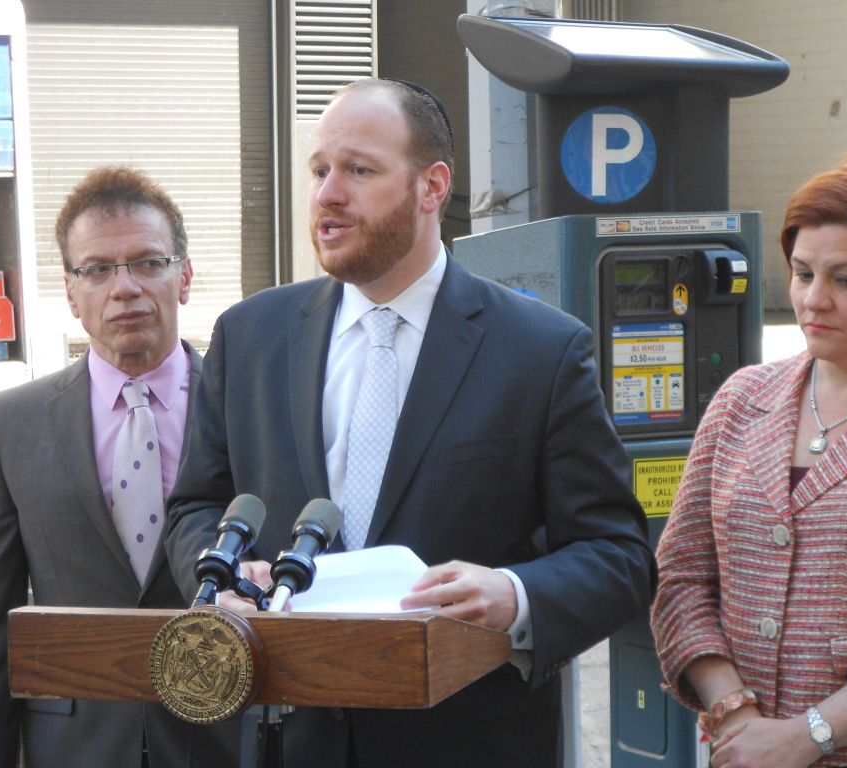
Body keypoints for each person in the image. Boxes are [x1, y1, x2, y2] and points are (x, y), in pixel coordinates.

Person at [165, 78, 655, 768]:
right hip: (287, 737)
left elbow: (618, 557)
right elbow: (195, 505)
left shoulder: (541, 350)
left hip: (468, 741)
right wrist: (217, 581)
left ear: (432, 187)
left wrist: (513, 594)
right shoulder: (250, 336)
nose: (328, 194)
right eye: (319, 170)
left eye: (358, 170)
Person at [651, 151, 847, 767]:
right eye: (801, 272)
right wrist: (735, 711)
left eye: (845, 279)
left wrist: (806, 735)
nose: (813, 300)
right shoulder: (743, 400)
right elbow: (680, 575)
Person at [0, 167, 241, 767]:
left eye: (148, 263)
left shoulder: (249, 409)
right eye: (98, 269)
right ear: (71, 291)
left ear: (184, 278)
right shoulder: (14, 423)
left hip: (225, 740)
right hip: (74, 747)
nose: (125, 287)